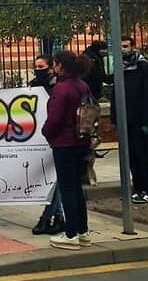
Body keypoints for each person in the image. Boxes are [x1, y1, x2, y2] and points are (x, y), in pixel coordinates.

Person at [42, 51, 93, 250]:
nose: (53, 67)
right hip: (82, 141)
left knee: (67, 188)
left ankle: (71, 234)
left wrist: (46, 133)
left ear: (60, 66)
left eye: (55, 64)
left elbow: (54, 119)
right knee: (77, 187)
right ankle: (83, 231)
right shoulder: (82, 85)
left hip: (65, 143)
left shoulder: (62, 88)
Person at [112, 36, 148, 204]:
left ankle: (147, 189)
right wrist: (115, 118)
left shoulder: (143, 66)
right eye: (120, 46)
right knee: (130, 157)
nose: (122, 49)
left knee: (142, 157)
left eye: (125, 46)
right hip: (125, 120)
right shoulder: (120, 67)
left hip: (140, 120)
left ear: (133, 47)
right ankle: (137, 188)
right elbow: (115, 93)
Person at [29, 55, 64, 235]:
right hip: (41, 137)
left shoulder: (58, 87)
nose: (38, 70)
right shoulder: (34, 85)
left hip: (56, 137)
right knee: (55, 180)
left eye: (41, 67)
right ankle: (58, 218)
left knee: (57, 180)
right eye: (36, 66)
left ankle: (46, 217)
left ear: (51, 68)